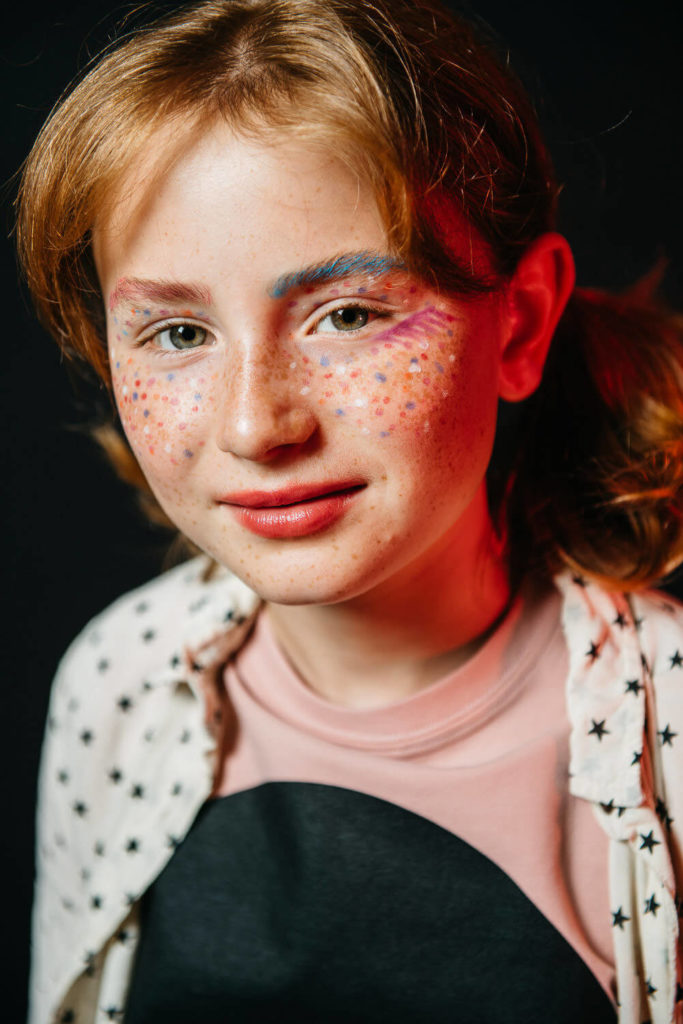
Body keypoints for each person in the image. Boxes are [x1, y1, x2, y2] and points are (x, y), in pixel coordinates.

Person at [17, 0, 683, 1020]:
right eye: (179, 333)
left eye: (348, 314)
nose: (255, 424)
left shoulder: (662, 729)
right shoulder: (119, 684)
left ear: (521, 321)